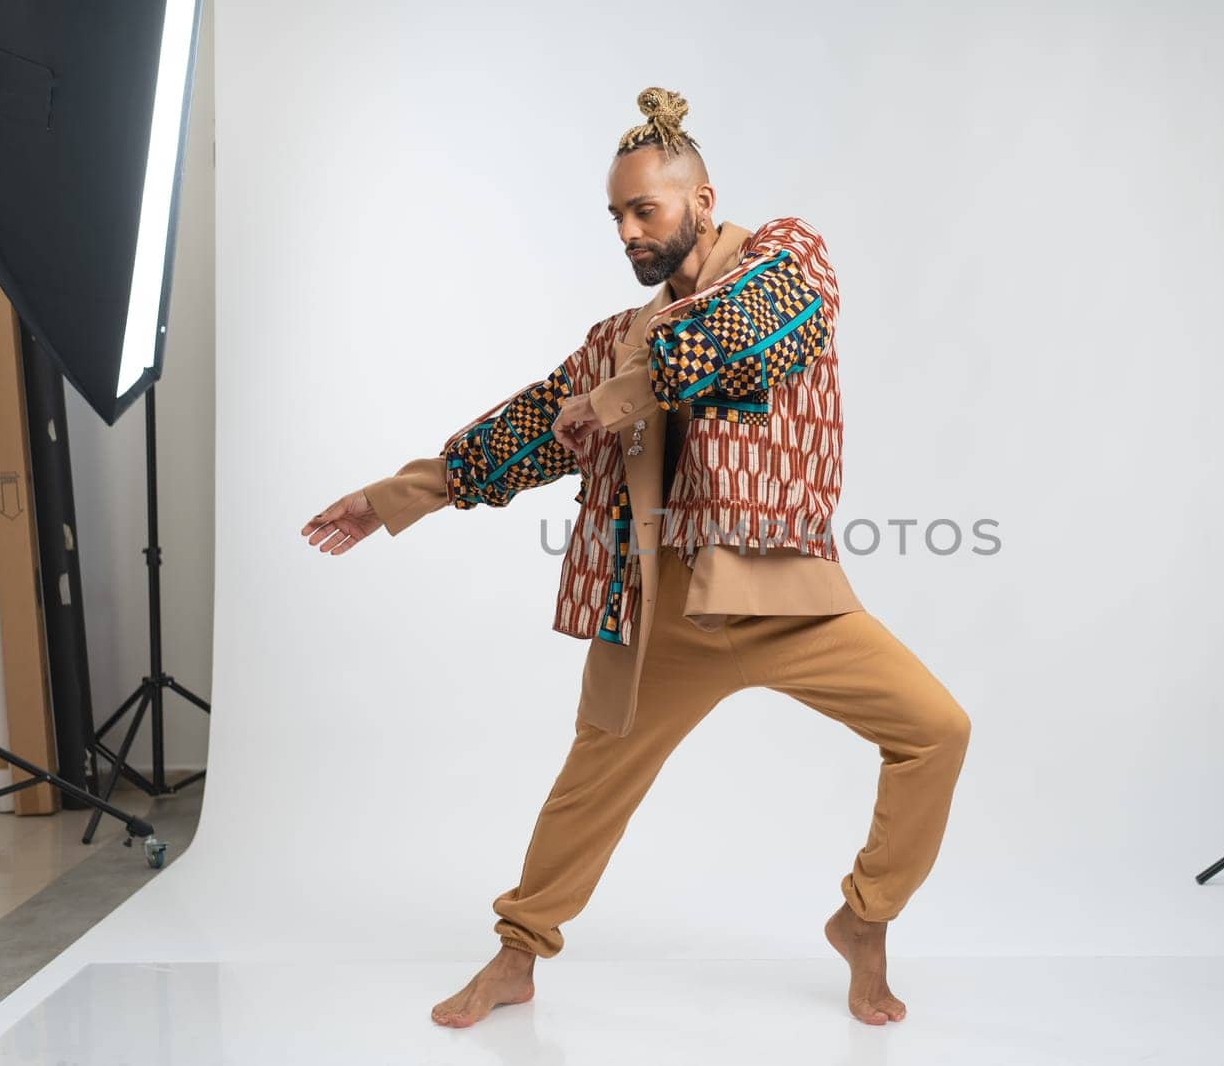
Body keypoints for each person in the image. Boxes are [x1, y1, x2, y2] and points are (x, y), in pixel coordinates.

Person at [299, 87, 971, 1029]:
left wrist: (616, 397)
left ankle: (865, 920)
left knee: (936, 729)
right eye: (614, 214)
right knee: (585, 792)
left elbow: (745, 332)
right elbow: (532, 424)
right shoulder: (617, 337)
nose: (625, 229)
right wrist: (394, 496)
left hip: (784, 594)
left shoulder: (788, 258)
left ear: (701, 199)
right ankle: (516, 957)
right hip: (657, 612)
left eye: (642, 208)